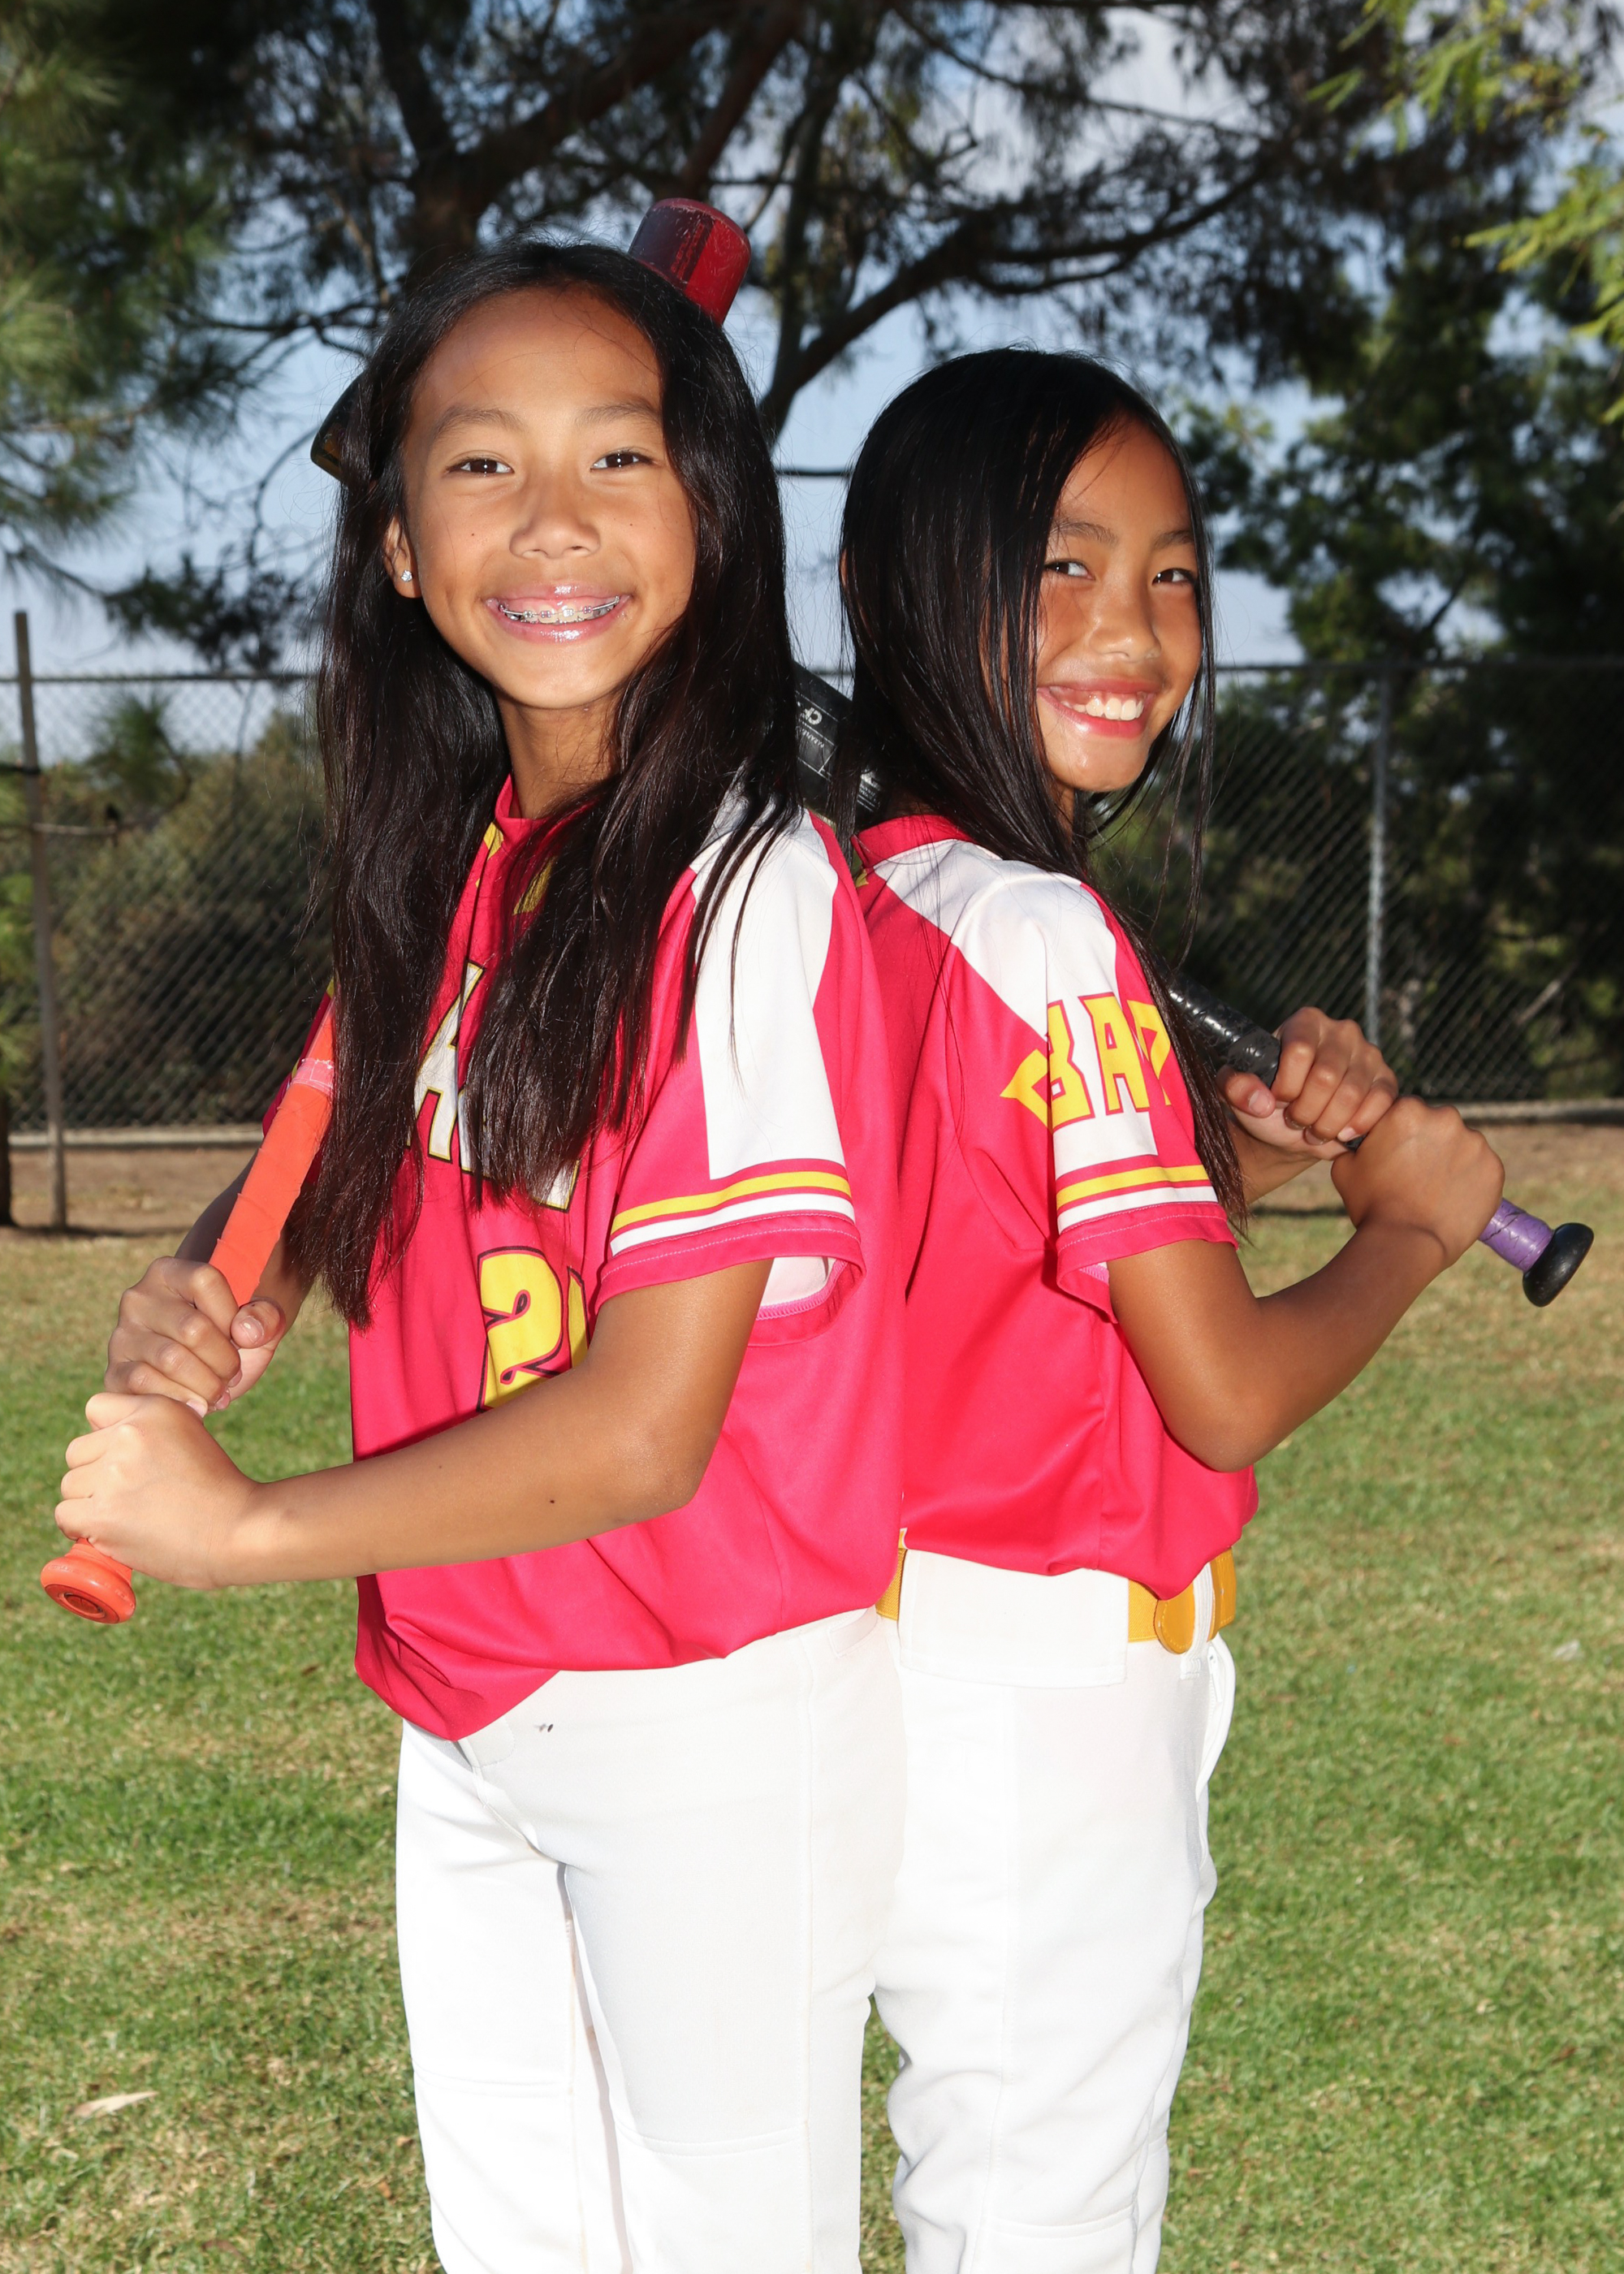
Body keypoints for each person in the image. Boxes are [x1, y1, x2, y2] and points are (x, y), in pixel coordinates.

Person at [58, 243, 905, 2274]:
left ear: (710, 515)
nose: (550, 522)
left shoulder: (745, 893)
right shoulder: (463, 865)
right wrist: (235, 1280)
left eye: (617, 455)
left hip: (704, 1711)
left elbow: (640, 1429)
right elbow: (366, 1140)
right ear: (398, 546)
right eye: (479, 465)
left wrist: (241, 1526)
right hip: (467, 1686)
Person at [831, 348, 1505, 2274]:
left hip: (900, 1658)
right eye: (1060, 564)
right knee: (1041, 2219)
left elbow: (1003, 1266)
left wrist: (1247, 1161)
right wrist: (1409, 1232)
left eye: (1173, 572)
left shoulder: (863, 890)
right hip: (1047, 1700)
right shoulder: (1047, 931)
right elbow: (1215, 1388)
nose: (1131, 628)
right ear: (898, 591)